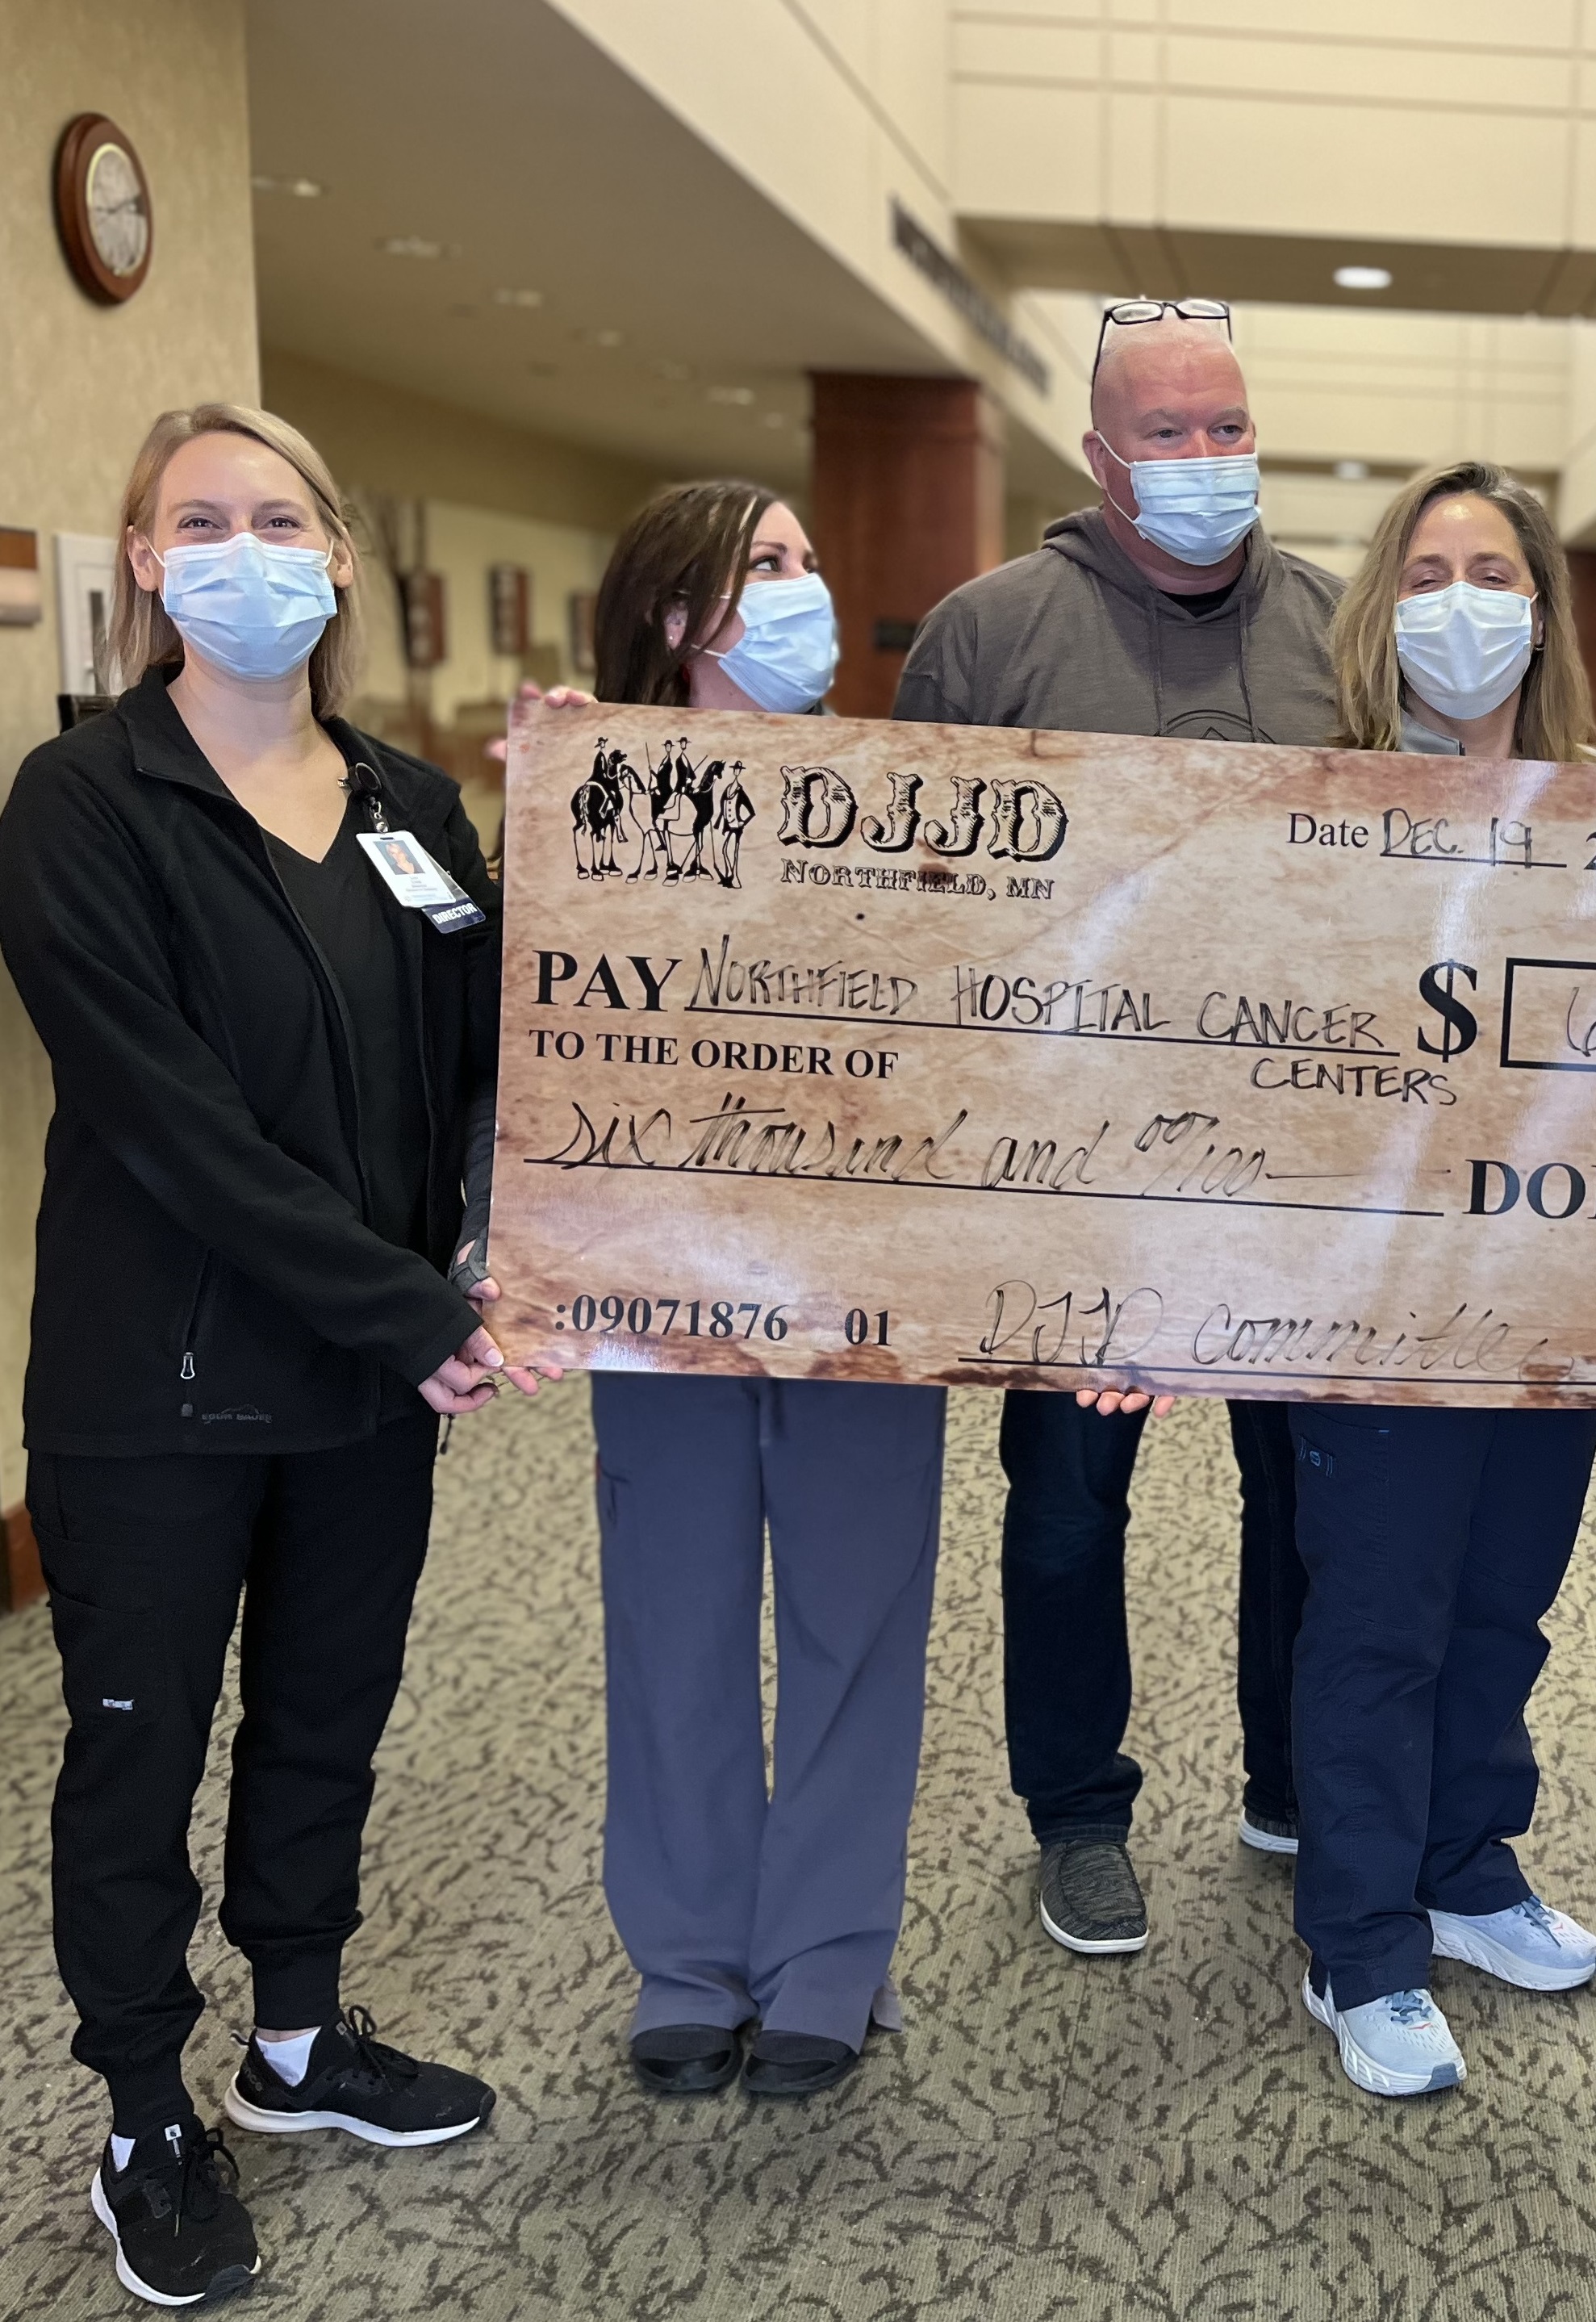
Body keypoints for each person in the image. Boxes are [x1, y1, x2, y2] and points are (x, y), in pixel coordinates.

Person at [0, 404, 549, 2310]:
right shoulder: (83, 800)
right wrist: (416, 1307)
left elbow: (505, 1065)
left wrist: (494, 1258)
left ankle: (297, 2034)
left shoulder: (410, 805)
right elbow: (174, 1124)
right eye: (200, 519)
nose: (246, 548)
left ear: (336, 556)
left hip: (361, 1393)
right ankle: (147, 2107)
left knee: (327, 1717)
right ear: (145, 562)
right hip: (155, 1389)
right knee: (134, 1756)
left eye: (281, 515)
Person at [895, 300, 1333, 1958]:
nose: (1206, 460)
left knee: (1303, 1494)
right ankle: (1076, 1806)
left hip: (1289, 1176)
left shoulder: (1334, 633)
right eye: (1167, 431)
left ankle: (1290, 1777)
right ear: (1098, 454)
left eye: (1227, 426)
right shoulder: (987, 634)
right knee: (1069, 1499)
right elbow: (905, 918)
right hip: (1061, 1180)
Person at [574, 479, 951, 2105]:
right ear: (674, 615)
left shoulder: (902, 801)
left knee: (860, 1607)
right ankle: (689, 1954)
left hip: (872, 1276)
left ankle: (823, 1954)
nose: (805, 589)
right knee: (673, 1607)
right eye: (767, 567)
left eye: (809, 558)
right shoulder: (587, 796)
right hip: (657, 1271)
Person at [1290, 461, 1596, 2097]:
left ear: (1542, 609)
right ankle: (1358, 1937)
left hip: (1548, 1285)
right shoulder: (1317, 809)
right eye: (1428, 570)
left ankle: (1465, 1863)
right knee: (1381, 1614)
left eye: (1495, 570)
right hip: (1373, 1302)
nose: (1463, 601)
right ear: (1379, 604)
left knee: (1507, 1599)